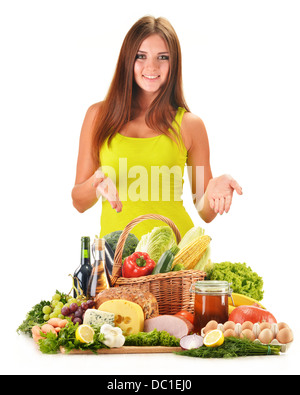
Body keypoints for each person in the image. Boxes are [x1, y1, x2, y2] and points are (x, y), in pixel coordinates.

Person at [71, 16, 242, 239]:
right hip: (118, 262)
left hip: (176, 259)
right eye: (141, 56)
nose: (151, 67)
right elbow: (78, 202)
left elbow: (204, 212)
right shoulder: (98, 117)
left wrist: (214, 190)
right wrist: (96, 183)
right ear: (127, 60)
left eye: (163, 57)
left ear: (174, 64)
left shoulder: (190, 125)